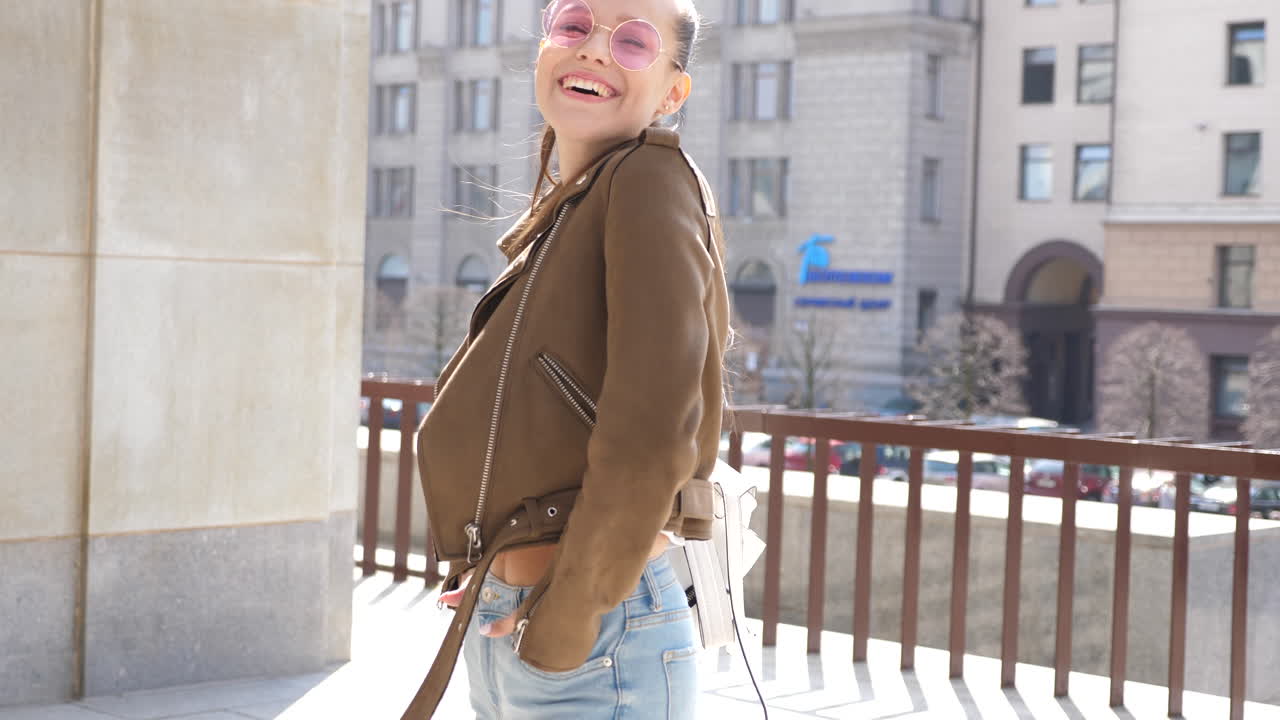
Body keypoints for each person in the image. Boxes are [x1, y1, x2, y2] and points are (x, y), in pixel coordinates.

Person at [408, 0, 732, 717]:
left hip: (593, 643)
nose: (592, 50)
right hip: (531, 623)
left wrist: (567, 616)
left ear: (673, 91)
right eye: (574, 26)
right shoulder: (583, 203)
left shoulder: (647, 181)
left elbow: (654, 432)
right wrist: (494, 568)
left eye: (635, 42)